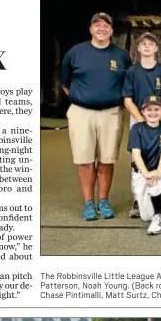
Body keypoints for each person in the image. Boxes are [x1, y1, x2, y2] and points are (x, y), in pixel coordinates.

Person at [60, 12, 131, 221]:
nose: (101, 28)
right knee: (85, 160)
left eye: (106, 25)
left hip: (111, 113)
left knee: (107, 159)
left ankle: (103, 200)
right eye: (97, 25)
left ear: (111, 30)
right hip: (82, 113)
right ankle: (88, 203)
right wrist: (83, 98)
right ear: (91, 29)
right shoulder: (76, 52)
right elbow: (65, 82)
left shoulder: (121, 55)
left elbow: (127, 82)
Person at [123, 31, 161, 219]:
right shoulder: (132, 71)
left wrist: (156, 117)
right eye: (143, 43)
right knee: (137, 159)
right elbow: (127, 99)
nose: (147, 46)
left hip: (159, 117)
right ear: (138, 47)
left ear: (156, 48)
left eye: (150, 43)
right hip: (138, 118)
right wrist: (143, 119)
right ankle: (138, 198)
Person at [127, 95, 161, 235]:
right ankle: (152, 211)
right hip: (142, 172)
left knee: (154, 186)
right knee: (145, 216)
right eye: (149, 109)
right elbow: (136, 154)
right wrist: (146, 174)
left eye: (157, 109)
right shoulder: (136, 128)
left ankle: (159, 216)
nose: (153, 112)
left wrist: (158, 173)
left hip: (159, 170)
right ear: (143, 111)